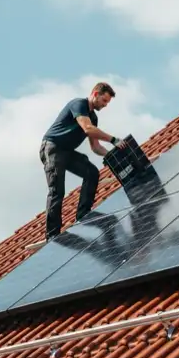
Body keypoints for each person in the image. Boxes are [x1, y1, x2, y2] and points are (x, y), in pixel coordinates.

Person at [39, 81, 127, 241]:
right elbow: (87, 128)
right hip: (52, 148)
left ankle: (83, 214)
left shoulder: (93, 117)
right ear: (95, 94)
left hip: (67, 152)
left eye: (107, 102)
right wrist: (113, 139)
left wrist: (111, 156)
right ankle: (52, 236)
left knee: (91, 172)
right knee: (57, 190)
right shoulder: (79, 104)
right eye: (104, 100)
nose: (105, 105)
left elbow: (95, 147)